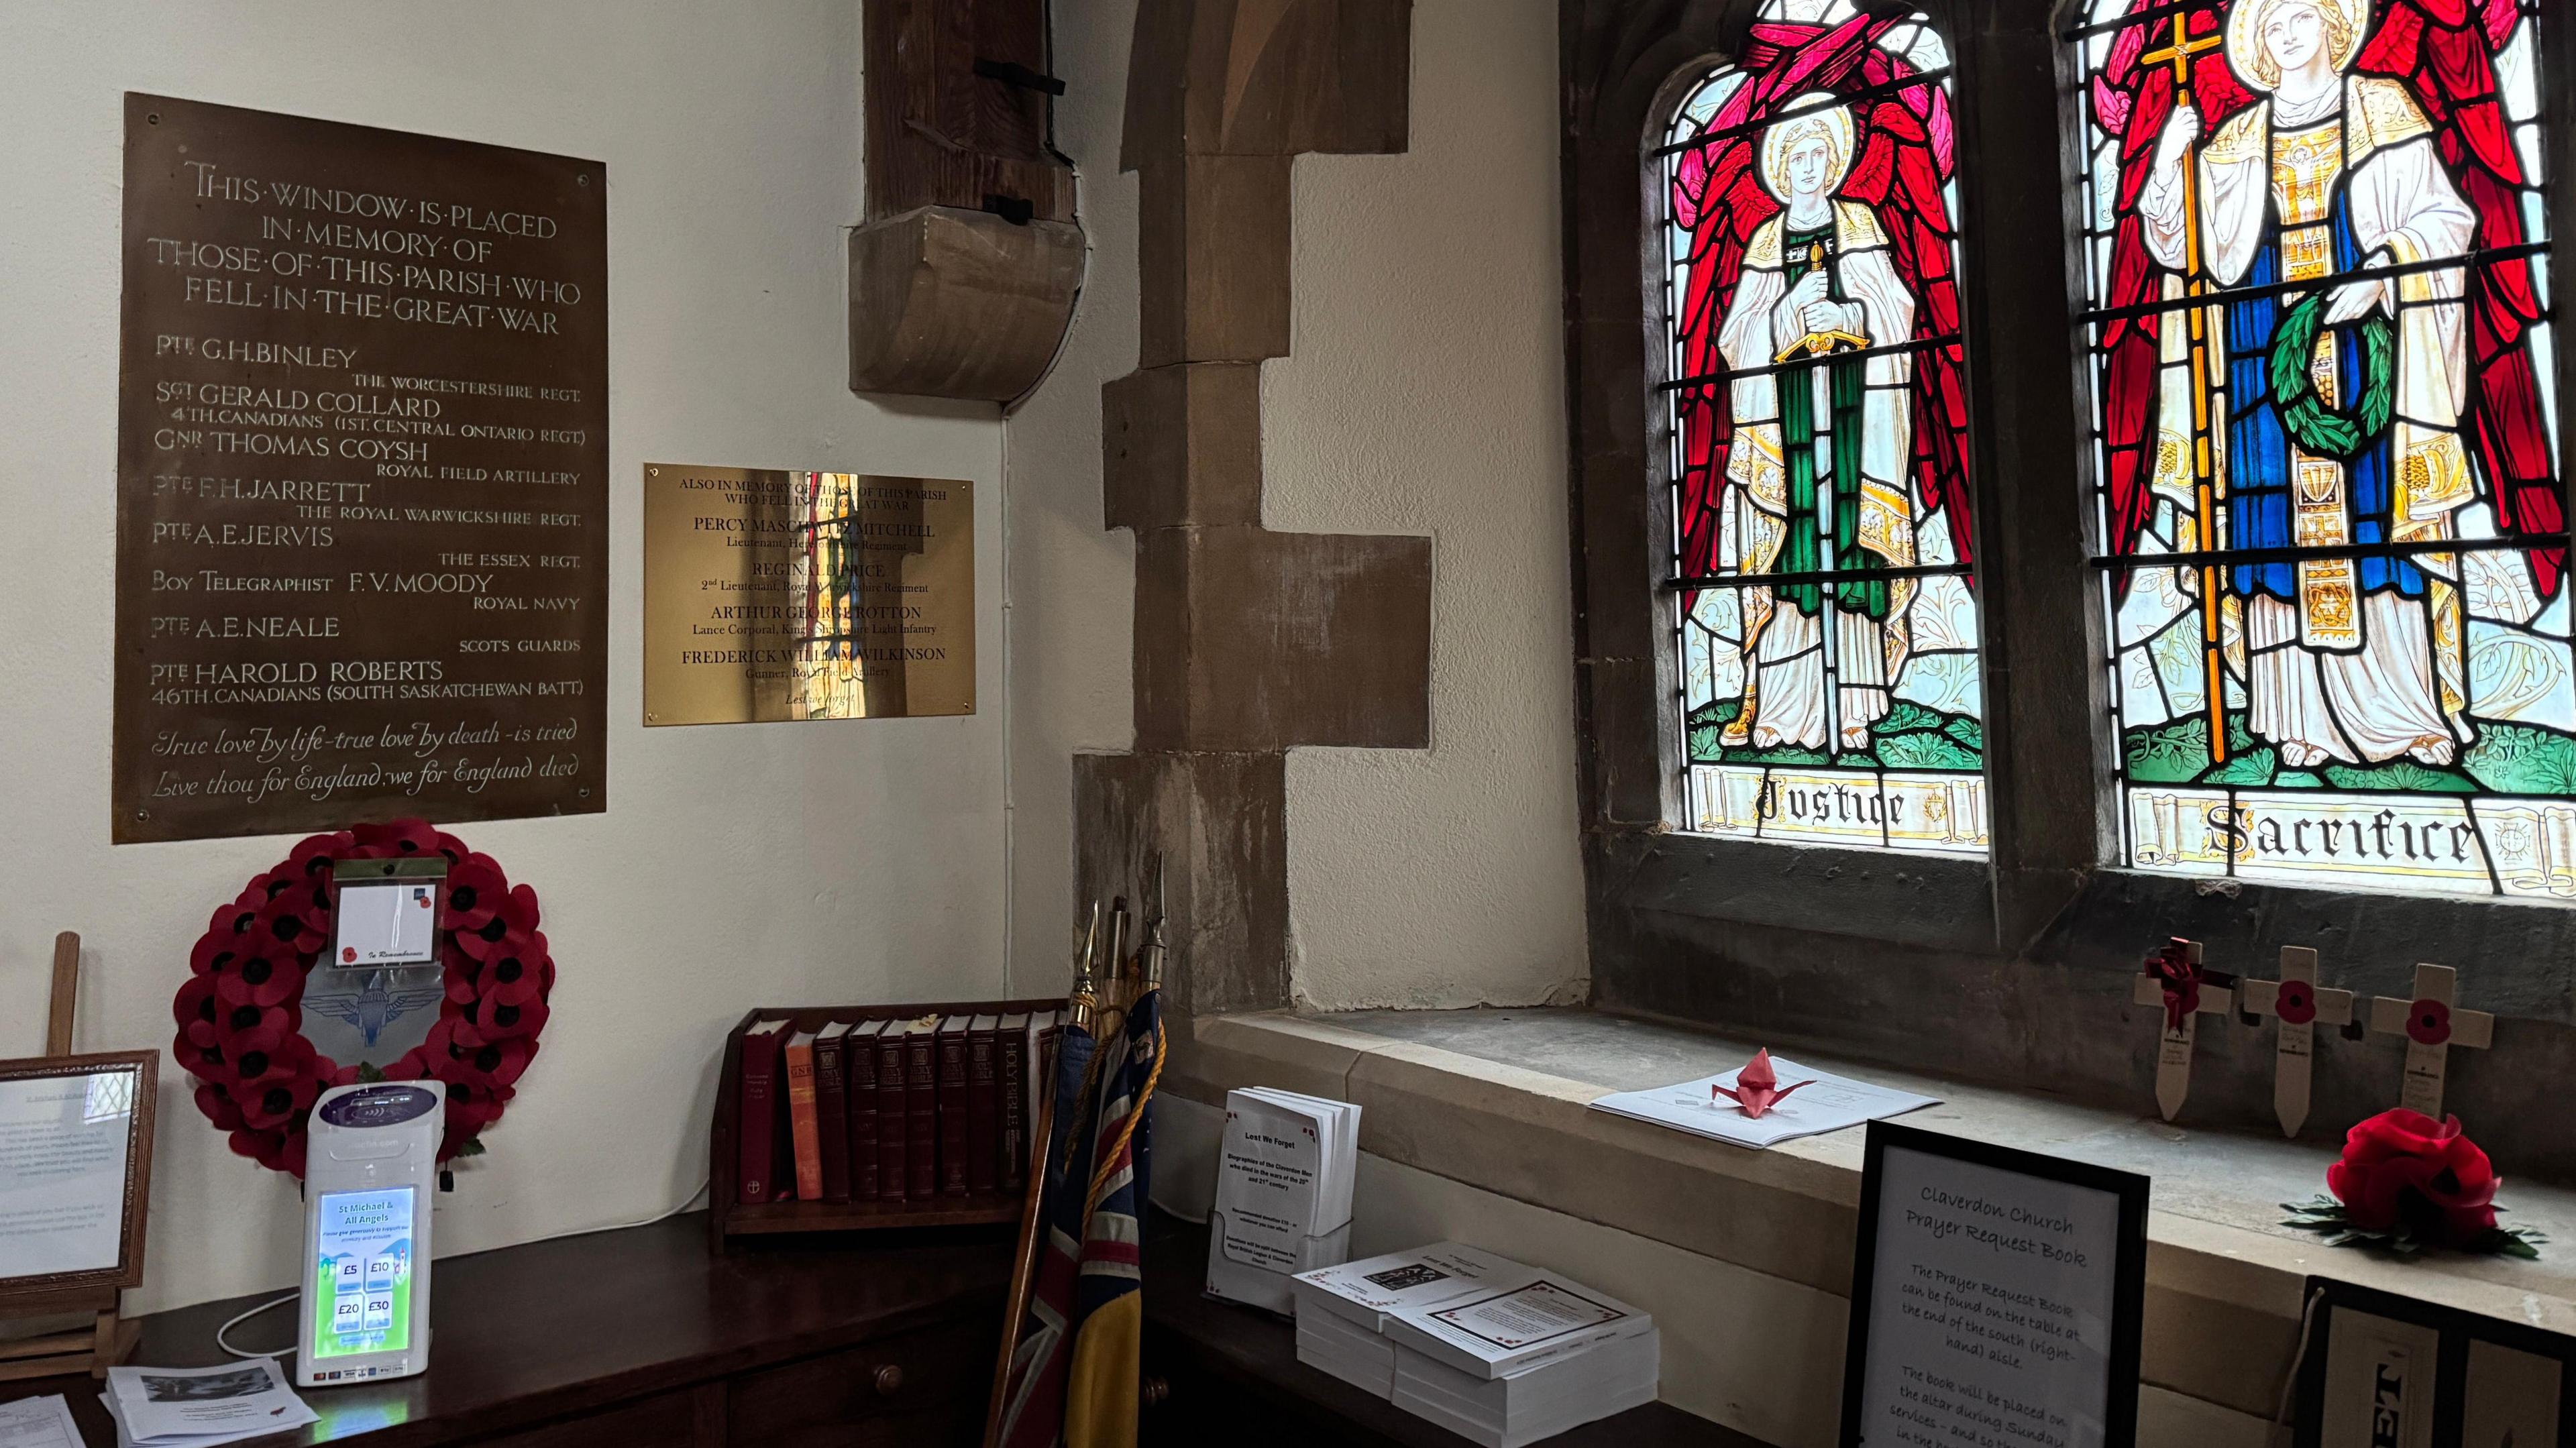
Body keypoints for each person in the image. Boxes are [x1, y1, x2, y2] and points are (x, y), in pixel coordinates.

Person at [2139, 0, 2481, 767]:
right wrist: (2169, 159)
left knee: (2376, 528)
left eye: (2300, 20)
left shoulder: (2385, 109)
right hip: (2264, 355)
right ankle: (2297, 717)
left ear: (2334, 28)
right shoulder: (2234, 140)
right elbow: (2179, 247)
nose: (2288, 37)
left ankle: (2409, 713)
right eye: (2272, 29)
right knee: (2274, 534)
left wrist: (2390, 268)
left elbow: (2444, 219)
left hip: (2367, 346)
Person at [1715, 95, 1922, 754]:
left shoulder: (1860, 224)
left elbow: (1898, 310)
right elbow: (1734, 335)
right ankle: (1781, 711)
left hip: (1855, 414)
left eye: (1818, 155)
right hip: (1790, 425)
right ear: (1779, 166)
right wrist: (1784, 317)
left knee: (1851, 548)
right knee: (1792, 552)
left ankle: (1855, 711)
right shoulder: (1766, 242)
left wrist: (1849, 318)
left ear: (1835, 162)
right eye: (1795, 156)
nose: (1808, 167)